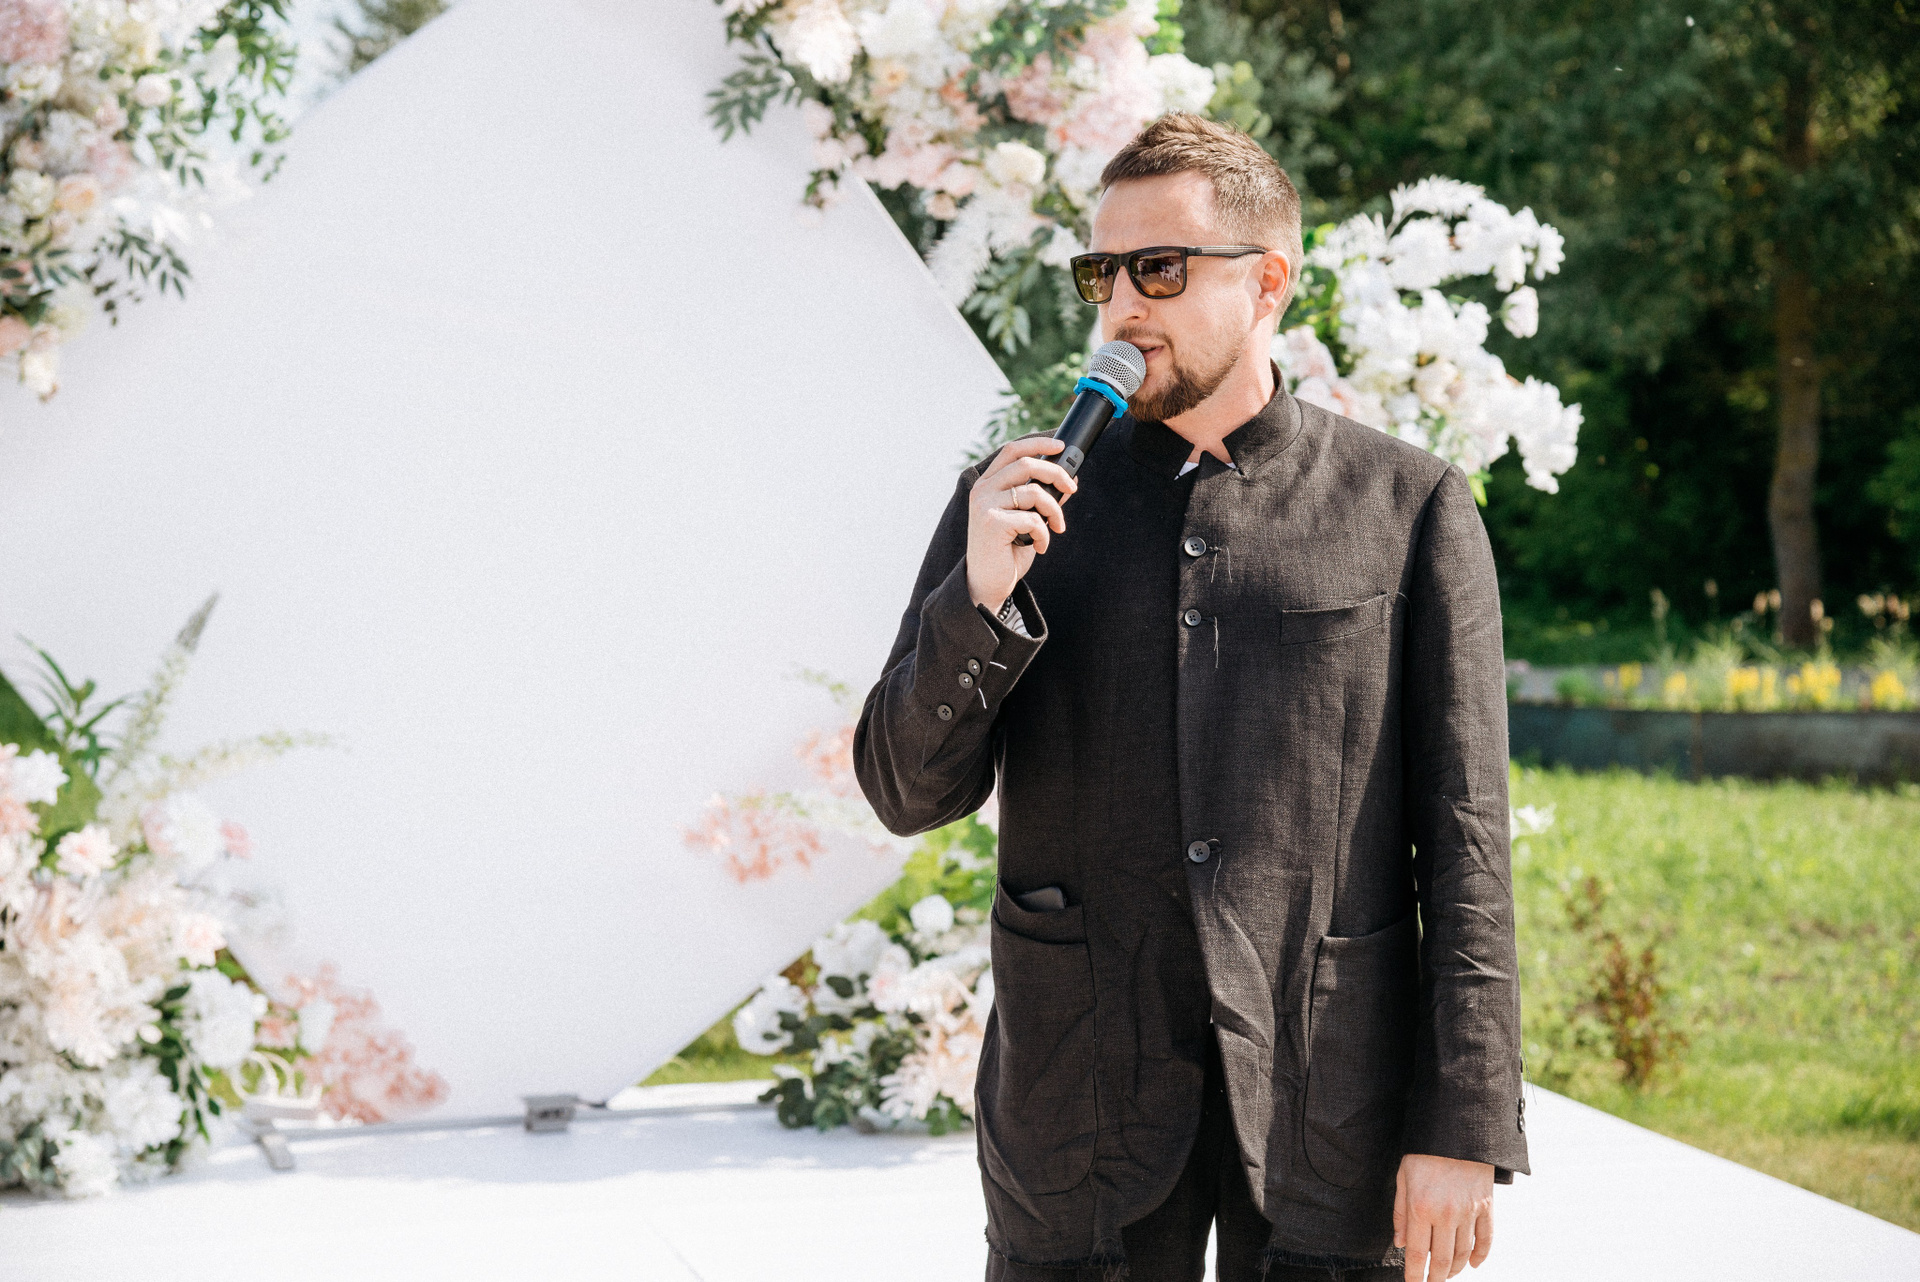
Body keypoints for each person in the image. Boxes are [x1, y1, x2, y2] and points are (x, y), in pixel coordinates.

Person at [853, 113, 1528, 1282]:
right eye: (1102, 272)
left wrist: (1463, 1122)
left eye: (1159, 268)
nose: (1122, 303)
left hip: (1330, 1103)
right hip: (1078, 1103)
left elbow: (1466, 840)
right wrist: (980, 596)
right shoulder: (1014, 505)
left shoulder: (1406, 507)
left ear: (1268, 282)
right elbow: (904, 791)